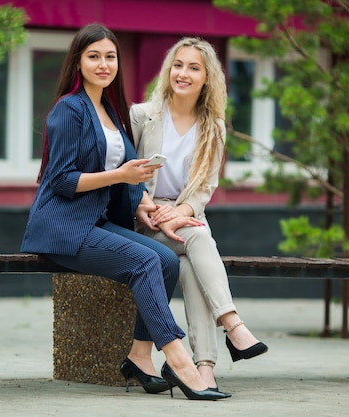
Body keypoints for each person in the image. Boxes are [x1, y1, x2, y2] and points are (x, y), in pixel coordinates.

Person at [20, 24, 228, 401]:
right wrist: (120, 175)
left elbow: (129, 178)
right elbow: (62, 182)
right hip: (64, 229)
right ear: (78, 62)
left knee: (165, 260)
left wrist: (145, 205)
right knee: (145, 262)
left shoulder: (111, 111)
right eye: (94, 56)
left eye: (110, 56)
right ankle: (180, 360)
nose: (103, 64)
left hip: (96, 222)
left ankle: (139, 355)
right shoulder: (69, 109)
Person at [130, 37, 268, 392]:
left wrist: (182, 212)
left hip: (185, 217)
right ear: (168, 70)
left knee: (192, 262)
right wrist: (144, 206)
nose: (183, 73)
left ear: (208, 77)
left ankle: (203, 368)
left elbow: (205, 187)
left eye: (194, 67)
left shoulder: (214, 127)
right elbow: (122, 172)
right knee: (200, 237)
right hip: (144, 219)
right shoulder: (143, 115)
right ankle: (232, 325)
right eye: (178, 65)